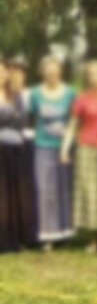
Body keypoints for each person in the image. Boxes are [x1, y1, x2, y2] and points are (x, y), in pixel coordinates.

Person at [61, 60, 97, 254]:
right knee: (90, 192)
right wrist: (64, 149)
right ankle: (93, 238)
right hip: (86, 148)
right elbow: (72, 125)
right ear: (87, 77)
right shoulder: (81, 99)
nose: (95, 77)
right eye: (91, 74)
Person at [29, 55, 76, 250]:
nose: (51, 74)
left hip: (64, 147)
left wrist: (67, 143)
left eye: (55, 71)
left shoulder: (70, 93)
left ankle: (64, 231)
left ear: (60, 72)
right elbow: (31, 117)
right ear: (43, 73)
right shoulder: (35, 94)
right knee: (45, 190)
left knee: (64, 188)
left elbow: (74, 120)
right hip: (43, 145)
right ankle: (48, 234)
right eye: (48, 71)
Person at [0, 60, 37, 252]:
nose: (1, 74)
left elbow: (22, 120)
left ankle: (17, 239)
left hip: (16, 149)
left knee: (16, 196)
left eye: (3, 71)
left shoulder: (15, 96)